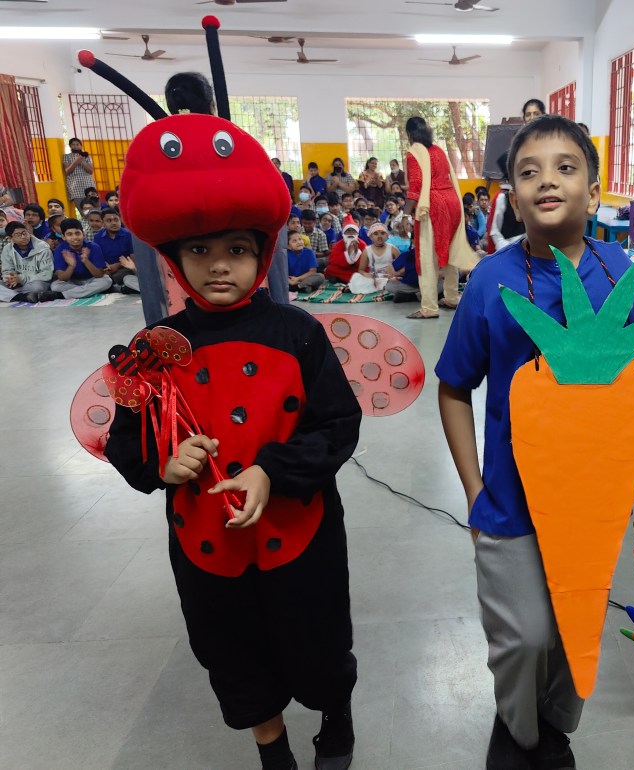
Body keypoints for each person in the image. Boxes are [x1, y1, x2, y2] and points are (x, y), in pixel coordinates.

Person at [100, 112, 360, 770]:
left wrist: (272, 470)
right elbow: (124, 442)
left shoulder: (299, 334)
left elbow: (338, 424)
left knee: (319, 639)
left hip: (299, 533)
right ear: (175, 259)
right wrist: (162, 462)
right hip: (206, 542)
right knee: (231, 650)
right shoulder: (150, 350)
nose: (219, 265)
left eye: (237, 250)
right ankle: (273, 749)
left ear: (262, 255)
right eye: (200, 251)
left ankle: (336, 714)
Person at [436, 115, 634, 770]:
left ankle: (553, 729)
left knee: (570, 631)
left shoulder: (621, 272)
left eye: (565, 167)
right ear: (512, 196)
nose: (547, 181)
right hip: (510, 503)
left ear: (594, 190)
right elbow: (453, 387)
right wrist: (474, 490)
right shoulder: (491, 281)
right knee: (525, 636)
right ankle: (517, 730)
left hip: (591, 505)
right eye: (529, 171)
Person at [403, 115, 477, 319]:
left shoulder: (414, 153)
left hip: (433, 205)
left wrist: (404, 214)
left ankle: (429, 307)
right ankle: (452, 297)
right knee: (451, 250)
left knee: (427, 255)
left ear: (409, 133)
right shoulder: (438, 150)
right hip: (453, 202)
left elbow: (416, 186)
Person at [51, 218, 114, 299]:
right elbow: (62, 278)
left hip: (91, 279)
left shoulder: (93, 247)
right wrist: (71, 266)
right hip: (72, 282)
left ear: (83, 234)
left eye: (77, 233)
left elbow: (99, 275)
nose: (74, 237)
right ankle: (90, 291)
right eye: (69, 234)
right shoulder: (60, 250)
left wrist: (86, 261)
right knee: (55, 286)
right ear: (63, 237)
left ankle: (63, 295)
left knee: (106, 281)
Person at [0, 221, 58, 303]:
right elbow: (7, 270)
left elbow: (46, 274)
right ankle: (23, 297)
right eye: (18, 235)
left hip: (35, 282)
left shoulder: (43, 248)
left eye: (24, 233)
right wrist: (10, 278)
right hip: (17, 284)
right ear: (10, 238)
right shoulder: (7, 249)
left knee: (37, 288)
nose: (23, 237)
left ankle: (12, 295)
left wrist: (21, 278)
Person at [487, 152, 526, 254]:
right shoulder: (502, 197)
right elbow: (494, 231)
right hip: (508, 248)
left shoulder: (525, 193)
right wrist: (508, 250)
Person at [93, 208, 136, 291]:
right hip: (107, 270)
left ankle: (118, 287)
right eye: (109, 220)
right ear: (103, 223)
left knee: (121, 277)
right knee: (100, 278)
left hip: (125, 268)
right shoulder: (98, 237)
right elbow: (97, 258)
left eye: (116, 220)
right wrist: (106, 267)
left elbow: (134, 259)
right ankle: (120, 288)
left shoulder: (128, 235)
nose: (113, 223)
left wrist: (118, 265)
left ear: (120, 220)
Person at [348, 222, 396, 296]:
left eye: (382, 233)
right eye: (376, 234)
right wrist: (368, 275)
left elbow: (402, 266)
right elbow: (361, 270)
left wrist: (394, 275)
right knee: (356, 277)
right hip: (373, 278)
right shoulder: (367, 250)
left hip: (389, 278)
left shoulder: (393, 249)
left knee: (394, 282)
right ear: (371, 236)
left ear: (387, 235)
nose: (379, 236)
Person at [63, 137, 97, 212]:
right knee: (82, 209)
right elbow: (68, 171)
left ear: (81, 146)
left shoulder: (86, 156)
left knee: (93, 207)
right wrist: (76, 161)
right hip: (75, 186)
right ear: (70, 146)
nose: (75, 146)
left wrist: (82, 161)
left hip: (88, 184)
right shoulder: (66, 157)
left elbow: (90, 171)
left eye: (77, 144)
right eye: (73, 144)